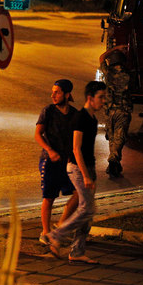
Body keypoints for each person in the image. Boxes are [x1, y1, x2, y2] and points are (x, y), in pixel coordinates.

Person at [45, 81, 106, 265]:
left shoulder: (92, 118)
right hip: (77, 168)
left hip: (88, 167)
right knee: (87, 208)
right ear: (90, 98)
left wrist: (91, 173)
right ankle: (55, 235)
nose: (103, 101)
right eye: (101, 97)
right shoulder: (80, 118)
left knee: (87, 213)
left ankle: (77, 251)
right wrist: (86, 176)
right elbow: (76, 149)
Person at [35, 79, 78, 245]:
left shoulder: (74, 114)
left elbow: (75, 138)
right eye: (52, 91)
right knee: (49, 197)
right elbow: (38, 134)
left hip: (66, 162)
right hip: (49, 160)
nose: (53, 95)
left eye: (57, 92)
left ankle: (59, 227)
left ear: (67, 94)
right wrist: (50, 151)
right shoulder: (48, 111)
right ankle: (45, 233)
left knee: (78, 193)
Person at [99, 45, 132, 178]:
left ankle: (114, 162)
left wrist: (114, 48)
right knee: (119, 138)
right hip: (122, 111)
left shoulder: (108, 72)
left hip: (109, 112)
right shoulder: (129, 74)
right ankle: (113, 161)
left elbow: (101, 57)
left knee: (112, 138)